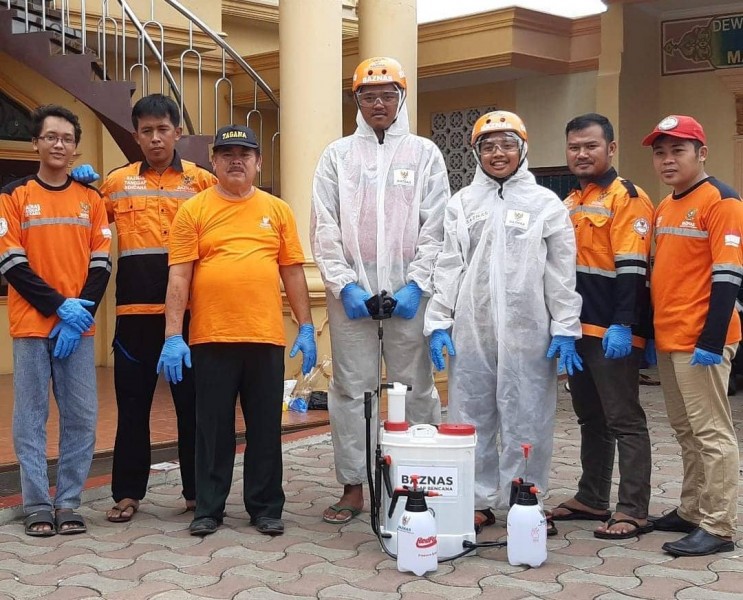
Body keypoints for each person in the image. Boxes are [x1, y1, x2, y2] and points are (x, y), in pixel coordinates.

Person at [425, 110, 583, 533]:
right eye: (488, 146)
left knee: (528, 416)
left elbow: (560, 272)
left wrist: (565, 326)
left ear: (523, 149)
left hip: (528, 332)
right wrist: (438, 320)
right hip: (471, 331)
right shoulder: (462, 203)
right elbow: (448, 265)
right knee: (469, 415)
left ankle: (525, 498)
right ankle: (476, 501)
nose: (498, 153)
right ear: (476, 153)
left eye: (507, 144)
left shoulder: (545, 204)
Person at [158, 124, 316, 537]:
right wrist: (173, 335)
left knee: (265, 429)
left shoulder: (277, 210)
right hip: (211, 338)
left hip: (265, 337)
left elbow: (293, 272)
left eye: (244, 154)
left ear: (258, 162)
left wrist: (307, 326)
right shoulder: (193, 210)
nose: (236, 161)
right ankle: (208, 508)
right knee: (212, 429)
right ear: (213, 162)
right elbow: (179, 276)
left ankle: (265, 507)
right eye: (227, 154)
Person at [311, 57, 449, 525]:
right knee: (352, 390)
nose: (378, 104)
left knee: (416, 387)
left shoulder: (424, 154)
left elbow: (436, 225)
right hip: (351, 294)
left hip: (410, 292)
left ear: (401, 99)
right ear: (356, 101)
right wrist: (343, 284)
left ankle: (419, 479)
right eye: (369, 96)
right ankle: (354, 485)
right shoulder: (337, 156)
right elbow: (324, 225)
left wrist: (418, 283)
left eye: (388, 95)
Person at [73, 94, 217, 523]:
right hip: (133, 316)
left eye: (163, 129)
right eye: (146, 131)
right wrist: (79, 185)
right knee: (132, 409)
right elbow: (83, 222)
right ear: (135, 136)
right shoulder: (117, 183)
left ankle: (197, 494)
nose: (155, 138)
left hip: (189, 317)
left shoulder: (202, 183)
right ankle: (127, 493)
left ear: (178, 133)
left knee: (193, 408)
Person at [0, 105, 112, 536]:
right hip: (31, 325)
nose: (59, 144)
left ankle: (67, 503)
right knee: (30, 418)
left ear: (76, 147)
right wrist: (59, 307)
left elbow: (101, 264)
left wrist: (77, 315)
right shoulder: (13, 195)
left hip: (77, 330)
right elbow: (11, 263)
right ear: (35, 143)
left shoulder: (92, 198)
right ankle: (36, 506)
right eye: (50, 137)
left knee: (81, 417)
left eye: (67, 138)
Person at [549, 113, 655, 540]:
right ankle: (592, 497)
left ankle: (633, 509)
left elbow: (633, 268)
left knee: (624, 420)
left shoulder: (627, 198)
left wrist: (624, 324)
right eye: (574, 147)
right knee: (590, 418)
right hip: (578, 331)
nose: (581, 153)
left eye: (591, 146)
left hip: (613, 332)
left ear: (611, 148)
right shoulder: (570, 202)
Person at [643, 115, 743, 556]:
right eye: (660, 153)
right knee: (686, 431)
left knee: (712, 433)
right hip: (670, 337)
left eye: (677, 151)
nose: (668, 160)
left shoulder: (722, 201)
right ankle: (691, 510)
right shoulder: (666, 205)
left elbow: (729, 275)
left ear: (701, 153)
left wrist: (711, 339)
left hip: (702, 340)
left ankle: (718, 526)